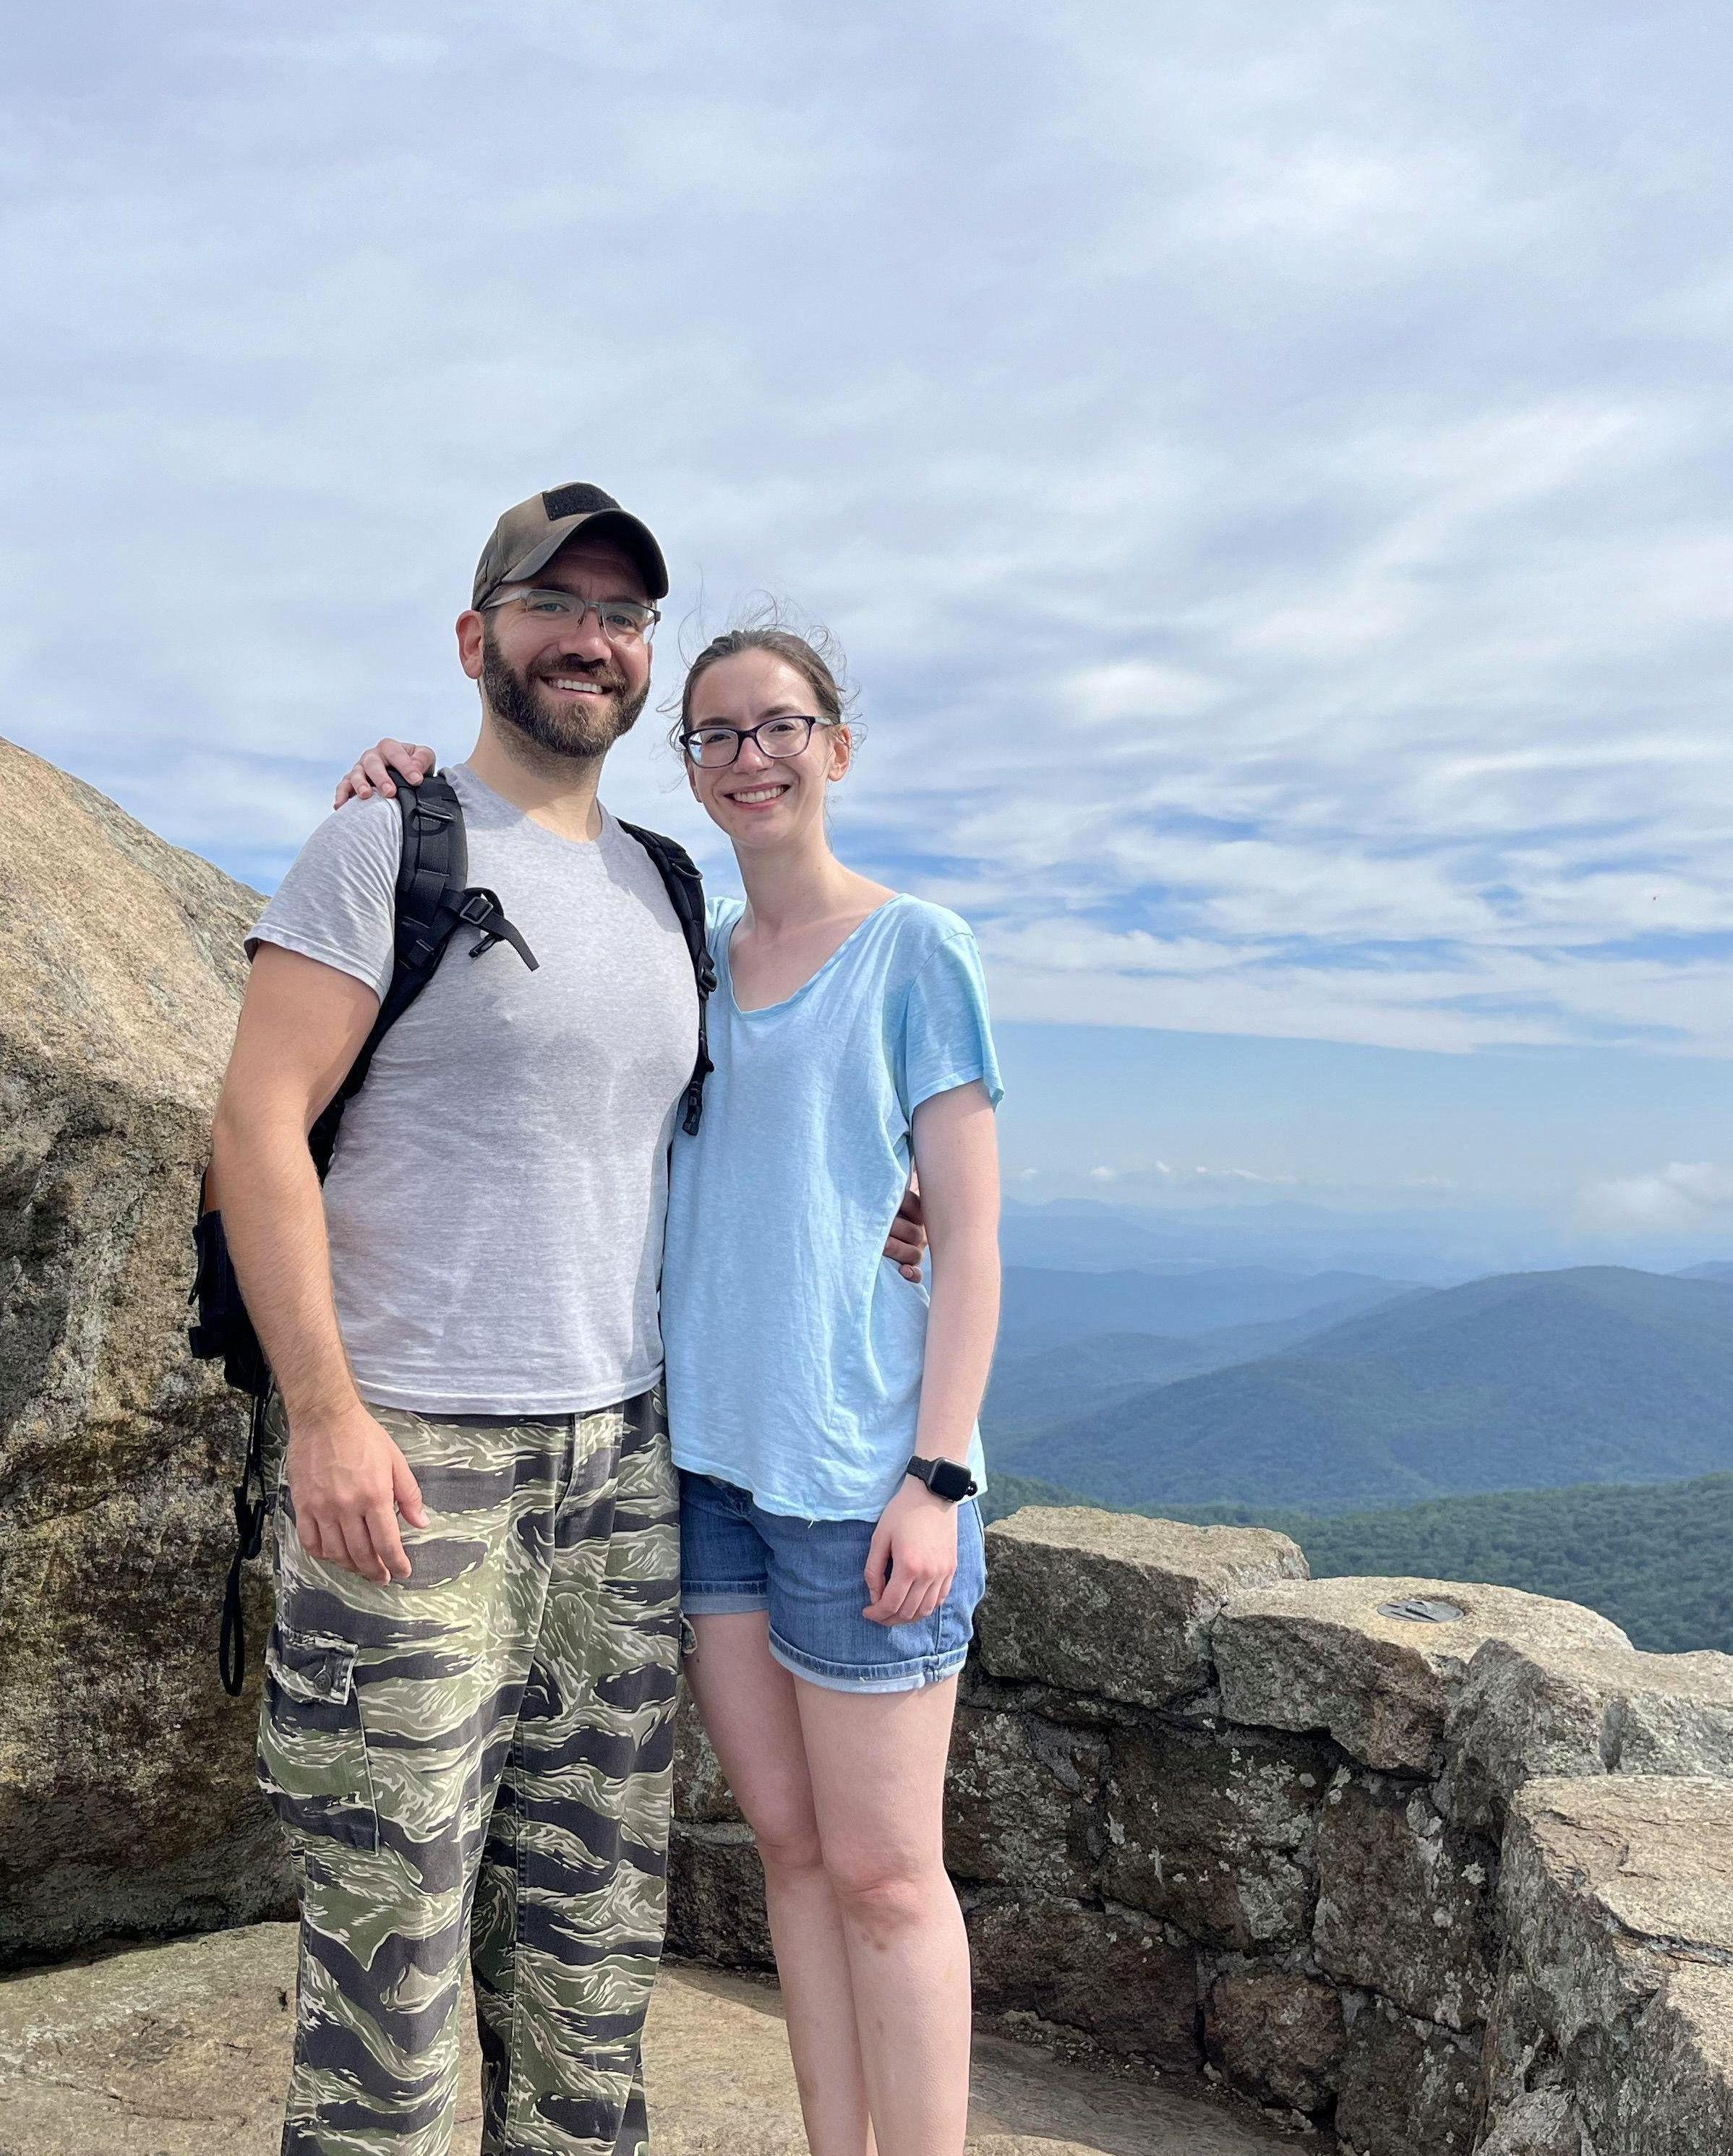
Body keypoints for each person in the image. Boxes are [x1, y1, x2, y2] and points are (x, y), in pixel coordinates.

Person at [212, 485, 925, 2156]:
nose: (592, 638)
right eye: (556, 603)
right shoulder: (382, 846)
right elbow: (254, 1125)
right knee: (390, 1959)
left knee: (595, 1958)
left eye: (622, 615)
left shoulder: (673, 891)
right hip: (411, 1461)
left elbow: (738, 1132)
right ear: (480, 640)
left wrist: (905, 1208)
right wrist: (324, 1415)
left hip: (625, 1469)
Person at [338, 617, 1003, 2156]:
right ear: (688, 768)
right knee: (786, 1849)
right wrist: (390, 784)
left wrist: (942, 1473)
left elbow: (966, 1236)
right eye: (716, 734)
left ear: (838, 745)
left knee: (892, 1879)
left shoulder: (917, 950)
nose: (750, 756)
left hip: (859, 1483)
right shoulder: (684, 952)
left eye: (779, 726)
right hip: (703, 1475)